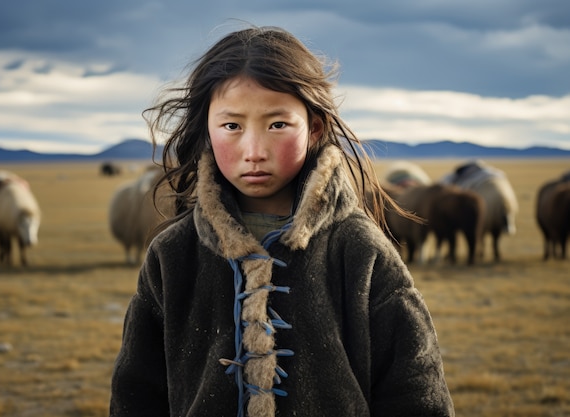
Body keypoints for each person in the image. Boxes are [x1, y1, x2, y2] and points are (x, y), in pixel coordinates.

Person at [109, 25, 454, 417]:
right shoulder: (172, 255)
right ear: (207, 128)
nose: (254, 151)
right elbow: (136, 394)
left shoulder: (359, 250)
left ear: (315, 128)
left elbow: (415, 392)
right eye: (232, 126)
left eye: (277, 124)